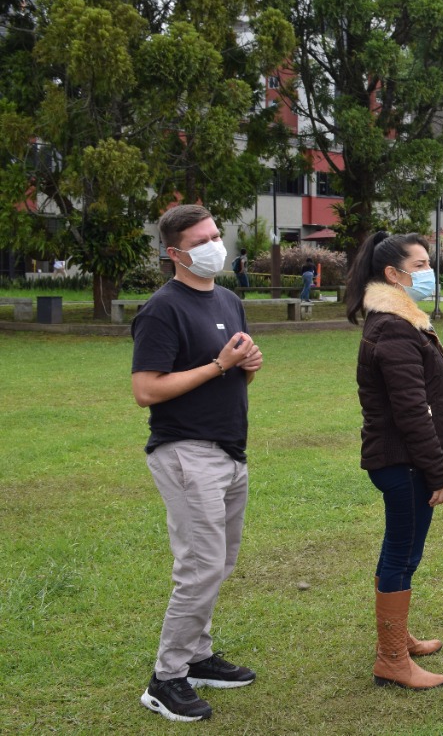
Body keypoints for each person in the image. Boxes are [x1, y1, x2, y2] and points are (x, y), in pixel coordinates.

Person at [131, 204, 263, 722]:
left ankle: (198, 656)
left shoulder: (229, 299)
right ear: (175, 253)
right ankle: (166, 679)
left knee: (219, 562)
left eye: (216, 234)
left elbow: (234, 374)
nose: (215, 245)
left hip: (229, 450)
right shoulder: (162, 309)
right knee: (200, 565)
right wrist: (218, 365)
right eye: (202, 239)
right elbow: (146, 390)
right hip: (186, 452)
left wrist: (246, 367)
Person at [345, 231, 443, 690]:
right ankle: (391, 658)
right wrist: (437, 470)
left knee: (403, 551)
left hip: (402, 460)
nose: (427, 272)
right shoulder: (393, 327)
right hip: (404, 462)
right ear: (393, 274)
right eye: (419, 265)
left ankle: (397, 639)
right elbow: (412, 411)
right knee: (401, 552)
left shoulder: (398, 322)